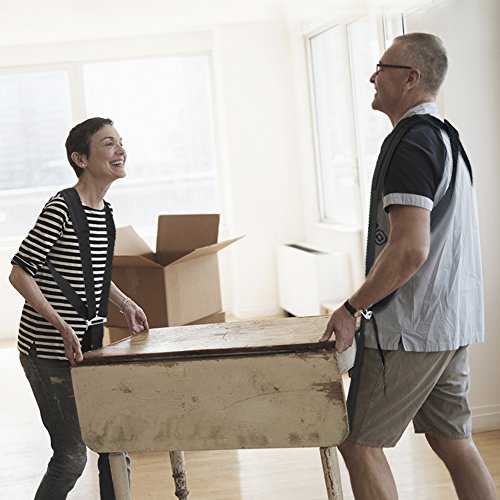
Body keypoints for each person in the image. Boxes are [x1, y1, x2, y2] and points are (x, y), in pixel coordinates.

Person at [320, 33, 497, 499]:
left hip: (411, 330)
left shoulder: (412, 143)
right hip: (449, 323)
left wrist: (351, 308)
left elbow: (409, 249)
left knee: (358, 443)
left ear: (411, 78)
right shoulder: (445, 137)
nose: (372, 77)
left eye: (382, 68)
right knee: (451, 438)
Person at [9, 117, 149, 499]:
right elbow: (20, 273)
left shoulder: (105, 213)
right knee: (71, 457)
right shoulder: (61, 208)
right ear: (81, 158)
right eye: (108, 143)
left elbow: (94, 275)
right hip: (47, 353)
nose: (120, 150)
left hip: (89, 347)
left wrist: (125, 303)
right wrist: (61, 326)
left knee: (114, 445)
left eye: (121, 142)